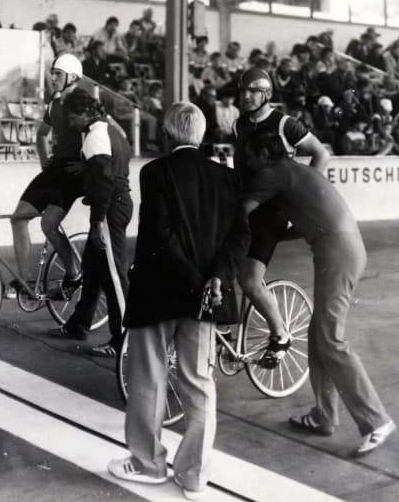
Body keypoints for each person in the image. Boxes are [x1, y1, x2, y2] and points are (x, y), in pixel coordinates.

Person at [107, 102, 249, 500]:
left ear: (168, 135)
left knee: (149, 379)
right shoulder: (227, 178)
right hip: (206, 298)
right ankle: (194, 476)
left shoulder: (156, 172)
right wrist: (215, 280)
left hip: (161, 293)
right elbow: (239, 237)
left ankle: (148, 464)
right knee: (199, 384)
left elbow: (159, 239)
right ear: (201, 135)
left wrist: (195, 281)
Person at [242, 130, 395, 457]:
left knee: (331, 340)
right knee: (318, 334)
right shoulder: (299, 172)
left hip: (337, 254)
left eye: (248, 156)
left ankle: (377, 420)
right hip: (345, 248)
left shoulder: (273, 173)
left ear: (262, 154)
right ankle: (324, 416)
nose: (245, 163)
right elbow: (310, 219)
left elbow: (240, 213)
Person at [233, 67, 329, 367]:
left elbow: (321, 154)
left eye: (253, 91)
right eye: (243, 91)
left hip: (270, 213)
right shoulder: (240, 125)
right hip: (244, 205)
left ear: (267, 94)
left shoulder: (285, 123)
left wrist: (303, 195)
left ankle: (281, 334)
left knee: (249, 282)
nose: (246, 96)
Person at [60, 88, 133, 357]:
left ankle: (122, 340)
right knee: (92, 269)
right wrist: (87, 167)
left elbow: (104, 183)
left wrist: (96, 222)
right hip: (119, 202)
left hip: (110, 208)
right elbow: (112, 162)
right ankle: (79, 324)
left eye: (71, 117)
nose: (70, 123)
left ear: (83, 113)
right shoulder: (110, 127)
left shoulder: (94, 137)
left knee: (115, 277)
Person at [10, 54, 88, 300]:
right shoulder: (55, 101)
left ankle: (74, 273)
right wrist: (46, 166)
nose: (53, 78)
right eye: (52, 73)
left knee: (47, 224)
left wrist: (86, 165)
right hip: (56, 168)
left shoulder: (82, 102)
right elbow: (41, 134)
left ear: (72, 77)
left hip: (73, 173)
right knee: (18, 218)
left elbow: (100, 133)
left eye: (58, 74)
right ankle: (24, 280)